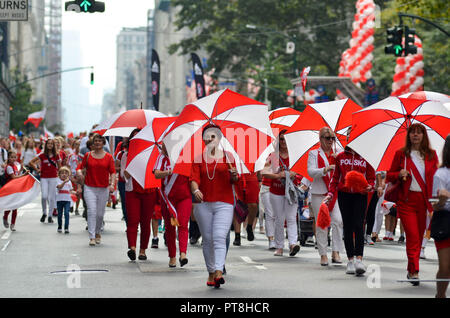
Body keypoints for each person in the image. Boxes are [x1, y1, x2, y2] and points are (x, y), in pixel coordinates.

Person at [386, 123, 438, 285]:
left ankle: (411, 269)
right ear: (408, 136)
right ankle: (414, 270)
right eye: (413, 133)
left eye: (419, 133)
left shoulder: (431, 155)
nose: (416, 135)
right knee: (413, 236)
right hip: (407, 201)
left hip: (424, 202)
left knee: (419, 236)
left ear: (424, 135)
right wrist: (399, 173)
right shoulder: (401, 154)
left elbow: (436, 179)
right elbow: (389, 175)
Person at [190, 125, 238, 288]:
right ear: (203, 139)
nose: (210, 139)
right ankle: (211, 271)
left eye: (213, 136)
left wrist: (234, 176)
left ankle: (218, 270)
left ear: (219, 139)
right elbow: (194, 179)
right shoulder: (198, 158)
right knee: (208, 239)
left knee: (219, 236)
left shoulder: (228, 157)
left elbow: (235, 180)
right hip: (203, 204)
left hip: (224, 202)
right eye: (207, 137)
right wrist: (195, 189)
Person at [325, 128, 375, 276]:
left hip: (360, 195)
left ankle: (360, 259)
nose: (352, 138)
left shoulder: (366, 157)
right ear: (347, 138)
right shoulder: (340, 156)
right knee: (347, 227)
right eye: (349, 136)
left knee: (359, 225)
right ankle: (350, 260)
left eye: (355, 135)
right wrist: (330, 194)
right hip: (344, 195)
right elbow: (335, 178)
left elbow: (371, 177)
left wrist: (370, 186)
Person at [307, 127, 344, 266]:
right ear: (320, 139)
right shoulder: (314, 154)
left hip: (334, 192)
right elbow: (310, 172)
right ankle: (323, 254)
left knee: (338, 221)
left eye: (332, 138)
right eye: (327, 138)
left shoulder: (339, 153)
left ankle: (336, 251)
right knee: (321, 224)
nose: (330, 140)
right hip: (319, 193)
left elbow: (345, 172)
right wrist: (325, 169)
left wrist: (338, 161)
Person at [262, 130, 301, 257]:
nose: (284, 142)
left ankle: (293, 244)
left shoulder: (295, 155)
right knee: (279, 219)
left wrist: (295, 175)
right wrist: (278, 175)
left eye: (286, 139)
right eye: (282, 139)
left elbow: (303, 172)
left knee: (291, 218)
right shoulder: (273, 156)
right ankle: (279, 246)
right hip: (276, 191)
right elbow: (263, 172)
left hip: (291, 191)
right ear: (278, 141)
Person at [154, 143, 192, 267]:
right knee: (170, 228)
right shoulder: (162, 158)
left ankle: (183, 254)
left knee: (183, 223)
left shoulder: (186, 157)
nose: (165, 146)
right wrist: (169, 172)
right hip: (168, 198)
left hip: (184, 197)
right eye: (164, 144)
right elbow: (156, 174)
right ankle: (172, 256)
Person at [121, 129, 155, 261]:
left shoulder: (152, 154)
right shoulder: (125, 155)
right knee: (133, 220)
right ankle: (132, 247)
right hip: (132, 191)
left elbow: (155, 173)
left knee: (145, 222)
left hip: (149, 191)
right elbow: (124, 176)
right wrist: (132, 163)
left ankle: (142, 250)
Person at [76, 133, 116, 246]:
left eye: (100, 141)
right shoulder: (88, 155)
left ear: (103, 143)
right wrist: (79, 173)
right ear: (93, 143)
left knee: (100, 214)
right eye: (96, 141)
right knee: (91, 211)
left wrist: (112, 184)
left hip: (103, 188)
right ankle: (92, 236)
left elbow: (113, 172)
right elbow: (80, 168)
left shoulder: (108, 157)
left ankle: (98, 232)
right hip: (89, 187)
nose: (97, 142)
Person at [431, 134, 450, 298]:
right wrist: (442, 200)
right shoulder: (441, 174)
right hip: (445, 221)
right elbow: (434, 206)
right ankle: (440, 295)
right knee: (445, 266)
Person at [29, 139, 61, 223]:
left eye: (51, 143)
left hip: (53, 178)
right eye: (48, 143)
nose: (50, 145)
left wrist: (61, 177)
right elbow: (31, 162)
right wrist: (37, 169)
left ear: (53, 145)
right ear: (46, 145)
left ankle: (50, 215)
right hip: (44, 178)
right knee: (44, 196)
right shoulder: (42, 155)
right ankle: (44, 213)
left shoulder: (56, 155)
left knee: (51, 197)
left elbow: (60, 167)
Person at [232, 172, 260, 245]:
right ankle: (237, 235)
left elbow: (259, 168)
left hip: (252, 179)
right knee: (238, 206)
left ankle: (249, 226)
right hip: (239, 178)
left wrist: (260, 179)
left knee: (254, 205)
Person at [2, 150, 22, 231]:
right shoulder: (9, 167)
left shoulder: (15, 166)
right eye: (11, 157)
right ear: (8, 158)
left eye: (14, 157)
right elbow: (13, 177)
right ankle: (5, 217)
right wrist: (23, 175)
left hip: (16, 188)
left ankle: (13, 224)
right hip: (10, 189)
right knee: (10, 206)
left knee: (15, 207)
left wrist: (21, 173)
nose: (13, 159)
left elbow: (17, 175)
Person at [56, 166, 76, 234]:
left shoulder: (69, 182)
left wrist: (76, 192)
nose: (64, 174)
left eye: (66, 173)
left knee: (67, 213)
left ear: (68, 175)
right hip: (59, 200)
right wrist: (64, 182)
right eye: (62, 173)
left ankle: (66, 227)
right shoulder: (58, 180)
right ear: (59, 174)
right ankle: (59, 226)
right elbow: (59, 187)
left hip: (67, 201)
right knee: (59, 214)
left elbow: (70, 191)